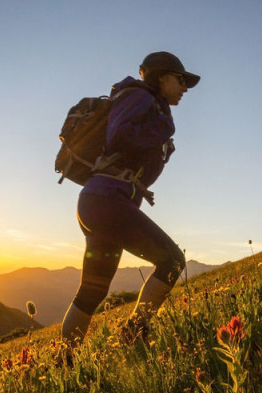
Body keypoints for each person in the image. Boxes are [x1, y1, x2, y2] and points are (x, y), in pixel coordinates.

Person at [61, 51, 200, 345]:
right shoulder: (141, 97)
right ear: (161, 76)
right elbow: (120, 136)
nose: (185, 87)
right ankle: (132, 335)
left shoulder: (149, 104)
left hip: (100, 202)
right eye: (180, 79)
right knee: (172, 261)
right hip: (106, 202)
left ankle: (64, 361)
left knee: (93, 291)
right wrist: (163, 129)